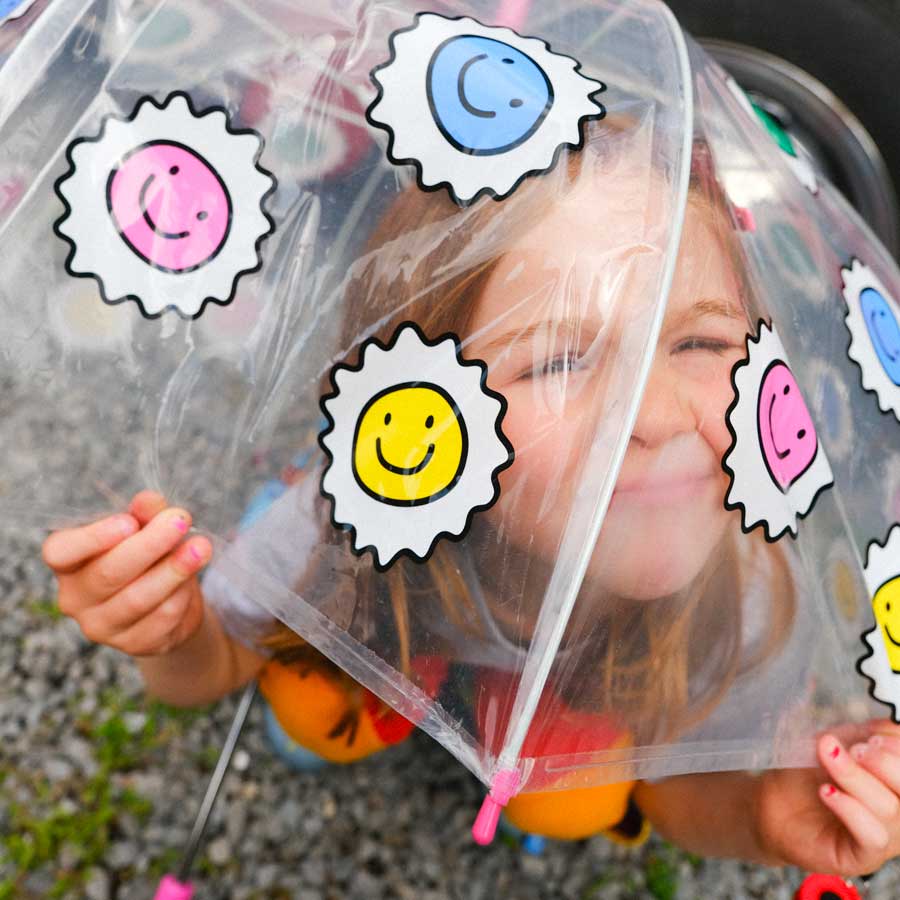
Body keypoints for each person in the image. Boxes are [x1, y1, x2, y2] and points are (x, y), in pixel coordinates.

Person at [42, 121, 900, 876]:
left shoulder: (742, 606)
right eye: (559, 361)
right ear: (425, 397)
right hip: (396, 608)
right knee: (310, 703)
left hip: (570, 694)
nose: (654, 416)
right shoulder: (341, 527)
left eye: (702, 340)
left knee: (568, 799)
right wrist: (174, 631)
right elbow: (218, 666)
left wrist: (760, 819)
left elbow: (676, 790)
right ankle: (371, 688)